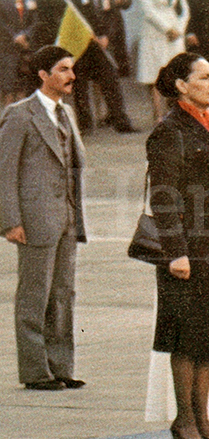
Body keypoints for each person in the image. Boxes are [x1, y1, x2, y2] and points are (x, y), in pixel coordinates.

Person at [146, 52, 209, 439]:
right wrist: (175, 252)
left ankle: (201, 418)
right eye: (203, 78)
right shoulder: (169, 130)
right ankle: (185, 420)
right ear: (182, 86)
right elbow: (164, 196)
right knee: (186, 336)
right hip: (187, 246)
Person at [0, 45, 87, 391]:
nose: (71, 76)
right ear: (43, 75)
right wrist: (10, 220)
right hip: (34, 220)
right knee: (34, 295)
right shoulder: (20, 114)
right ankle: (36, 371)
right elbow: (4, 171)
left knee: (63, 294)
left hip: (66, 219)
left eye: (71, 69)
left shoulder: (67, 114)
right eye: (63, 69)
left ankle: (61, 367)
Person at [70, 0, 137, 133]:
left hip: (102, 39)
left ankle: (120, 121)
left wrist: (106, 35)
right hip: (80, 38)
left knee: (110, 79)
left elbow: (112, 11)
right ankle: (85, 124)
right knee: (80, 83)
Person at [137, 0, 190, 124]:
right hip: (154, 32)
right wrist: (167, 29)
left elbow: (185, 10)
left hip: (175, 32)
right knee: (155, 75)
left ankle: (175, 112)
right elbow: (148, 11)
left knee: (176, 73)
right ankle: (158, 115)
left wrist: (179, 29)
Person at [0, 0, 39, 106]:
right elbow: (1, 22)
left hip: (26, 48)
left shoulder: (29, 1)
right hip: (8, 49)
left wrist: (25, 35)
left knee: (23, 88)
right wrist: (15, 37)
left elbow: (35, 20)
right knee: (9, 89)